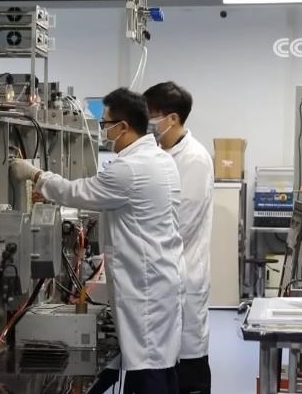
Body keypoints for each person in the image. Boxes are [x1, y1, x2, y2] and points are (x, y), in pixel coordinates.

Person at [10, 88, 184, 394]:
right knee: (158, 364)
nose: (104, 131)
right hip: (161, 279)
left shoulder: (129, 168)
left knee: (148, 368)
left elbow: (79, 192)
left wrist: (36, 175)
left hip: (144, 287)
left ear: (124, 126)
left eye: (105, 124)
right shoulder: (160, 159)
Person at [144, 82, 214, 394]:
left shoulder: (195, 159)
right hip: (161, 276)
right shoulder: (160, 154)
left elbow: (180, 223)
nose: (146, 122)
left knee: (187, 369)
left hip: (184, 277)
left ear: (171, 118)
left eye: (150, 115)